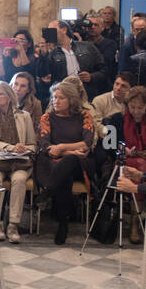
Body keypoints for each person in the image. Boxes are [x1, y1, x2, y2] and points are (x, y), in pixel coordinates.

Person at [36, 81, 97, 245]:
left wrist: (62, 147)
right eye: (54, 97)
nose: (56, 101)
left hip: (81, 162)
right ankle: (63, 224)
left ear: (71, 100)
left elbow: (87, 144)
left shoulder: (84, 116)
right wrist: (70, 151)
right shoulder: (47, 117)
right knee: (65, 174)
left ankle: (48, 191)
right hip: (52, 162)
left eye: (61, 98)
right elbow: (45, 145)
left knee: (69, 162)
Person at [0, 81, 37, 243]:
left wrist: (22, 148)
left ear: (9, 97)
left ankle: (13, 224)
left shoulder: (24, 116)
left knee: (19, 180)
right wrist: (11, 147)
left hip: (20, 162)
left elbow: (33, 144)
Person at [44, 21, 108, 101]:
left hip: (87, 94)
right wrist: (45, 52)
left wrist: (91, 76)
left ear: (64, 30)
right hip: (62, 97)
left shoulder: (87, 46)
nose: (49, 33)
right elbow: (43, 74)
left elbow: (104, 71)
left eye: (51, 30)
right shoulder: (51, 53)